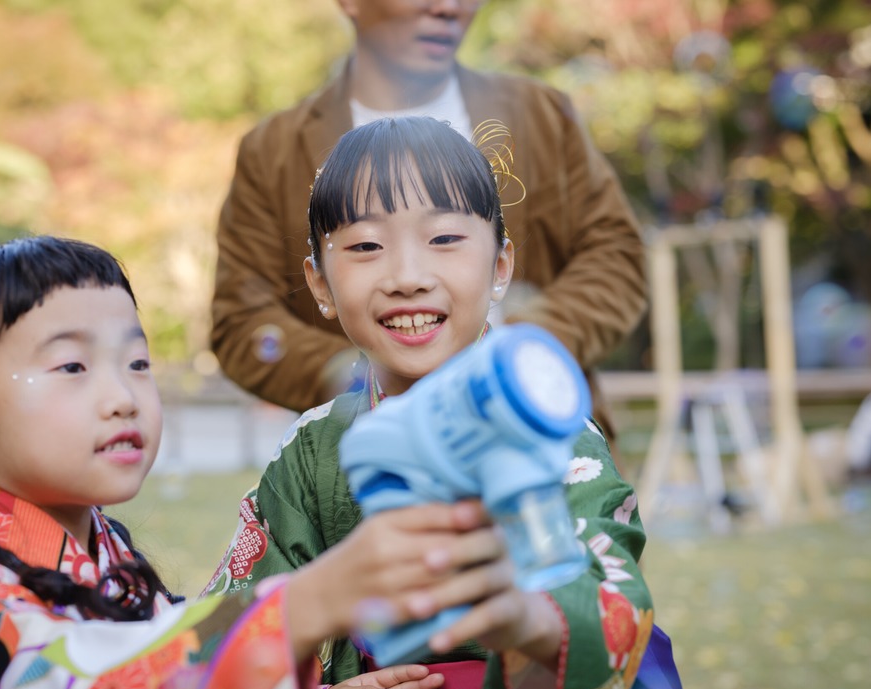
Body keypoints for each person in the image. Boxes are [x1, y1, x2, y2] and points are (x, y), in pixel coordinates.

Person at [0, 235, 527, 689]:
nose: (123, 395)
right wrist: (306, 603)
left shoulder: (111, 563)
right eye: (72, 366)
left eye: (136, 363)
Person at [203, 116, 682, 689]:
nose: (407, 275)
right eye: (366, 247)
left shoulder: (555, 437)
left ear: (501, 265)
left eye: (445, 238)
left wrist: (532, 621)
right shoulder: (313, 452)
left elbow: (607, 597)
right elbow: (235, 627)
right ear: (320, 283)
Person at [210, 0, 647, 456]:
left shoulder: (542, 114)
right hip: (368, 464)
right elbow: (243, 320)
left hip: (542, 443)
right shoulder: (273, 151)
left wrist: (517, 353)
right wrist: (370, 383)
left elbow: (616, 255)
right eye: (366, 243)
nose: (449, 6)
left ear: (503, 265)